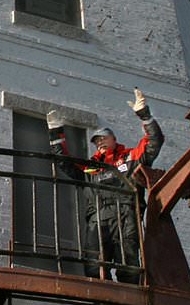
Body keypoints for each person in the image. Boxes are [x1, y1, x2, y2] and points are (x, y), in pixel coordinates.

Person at [46, 88, 163, 282]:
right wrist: (55, 132)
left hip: (125, 213)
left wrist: (144, 115)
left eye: (103, 137)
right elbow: (63, 162)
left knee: (129, 262)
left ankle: (130, 301)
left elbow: (154, 142)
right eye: (96, 140)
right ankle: (104, 304)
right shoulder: (91, 168)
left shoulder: (131, 157)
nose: (99, 141)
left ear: (114, 139)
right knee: (93, 264)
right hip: (97, 216)